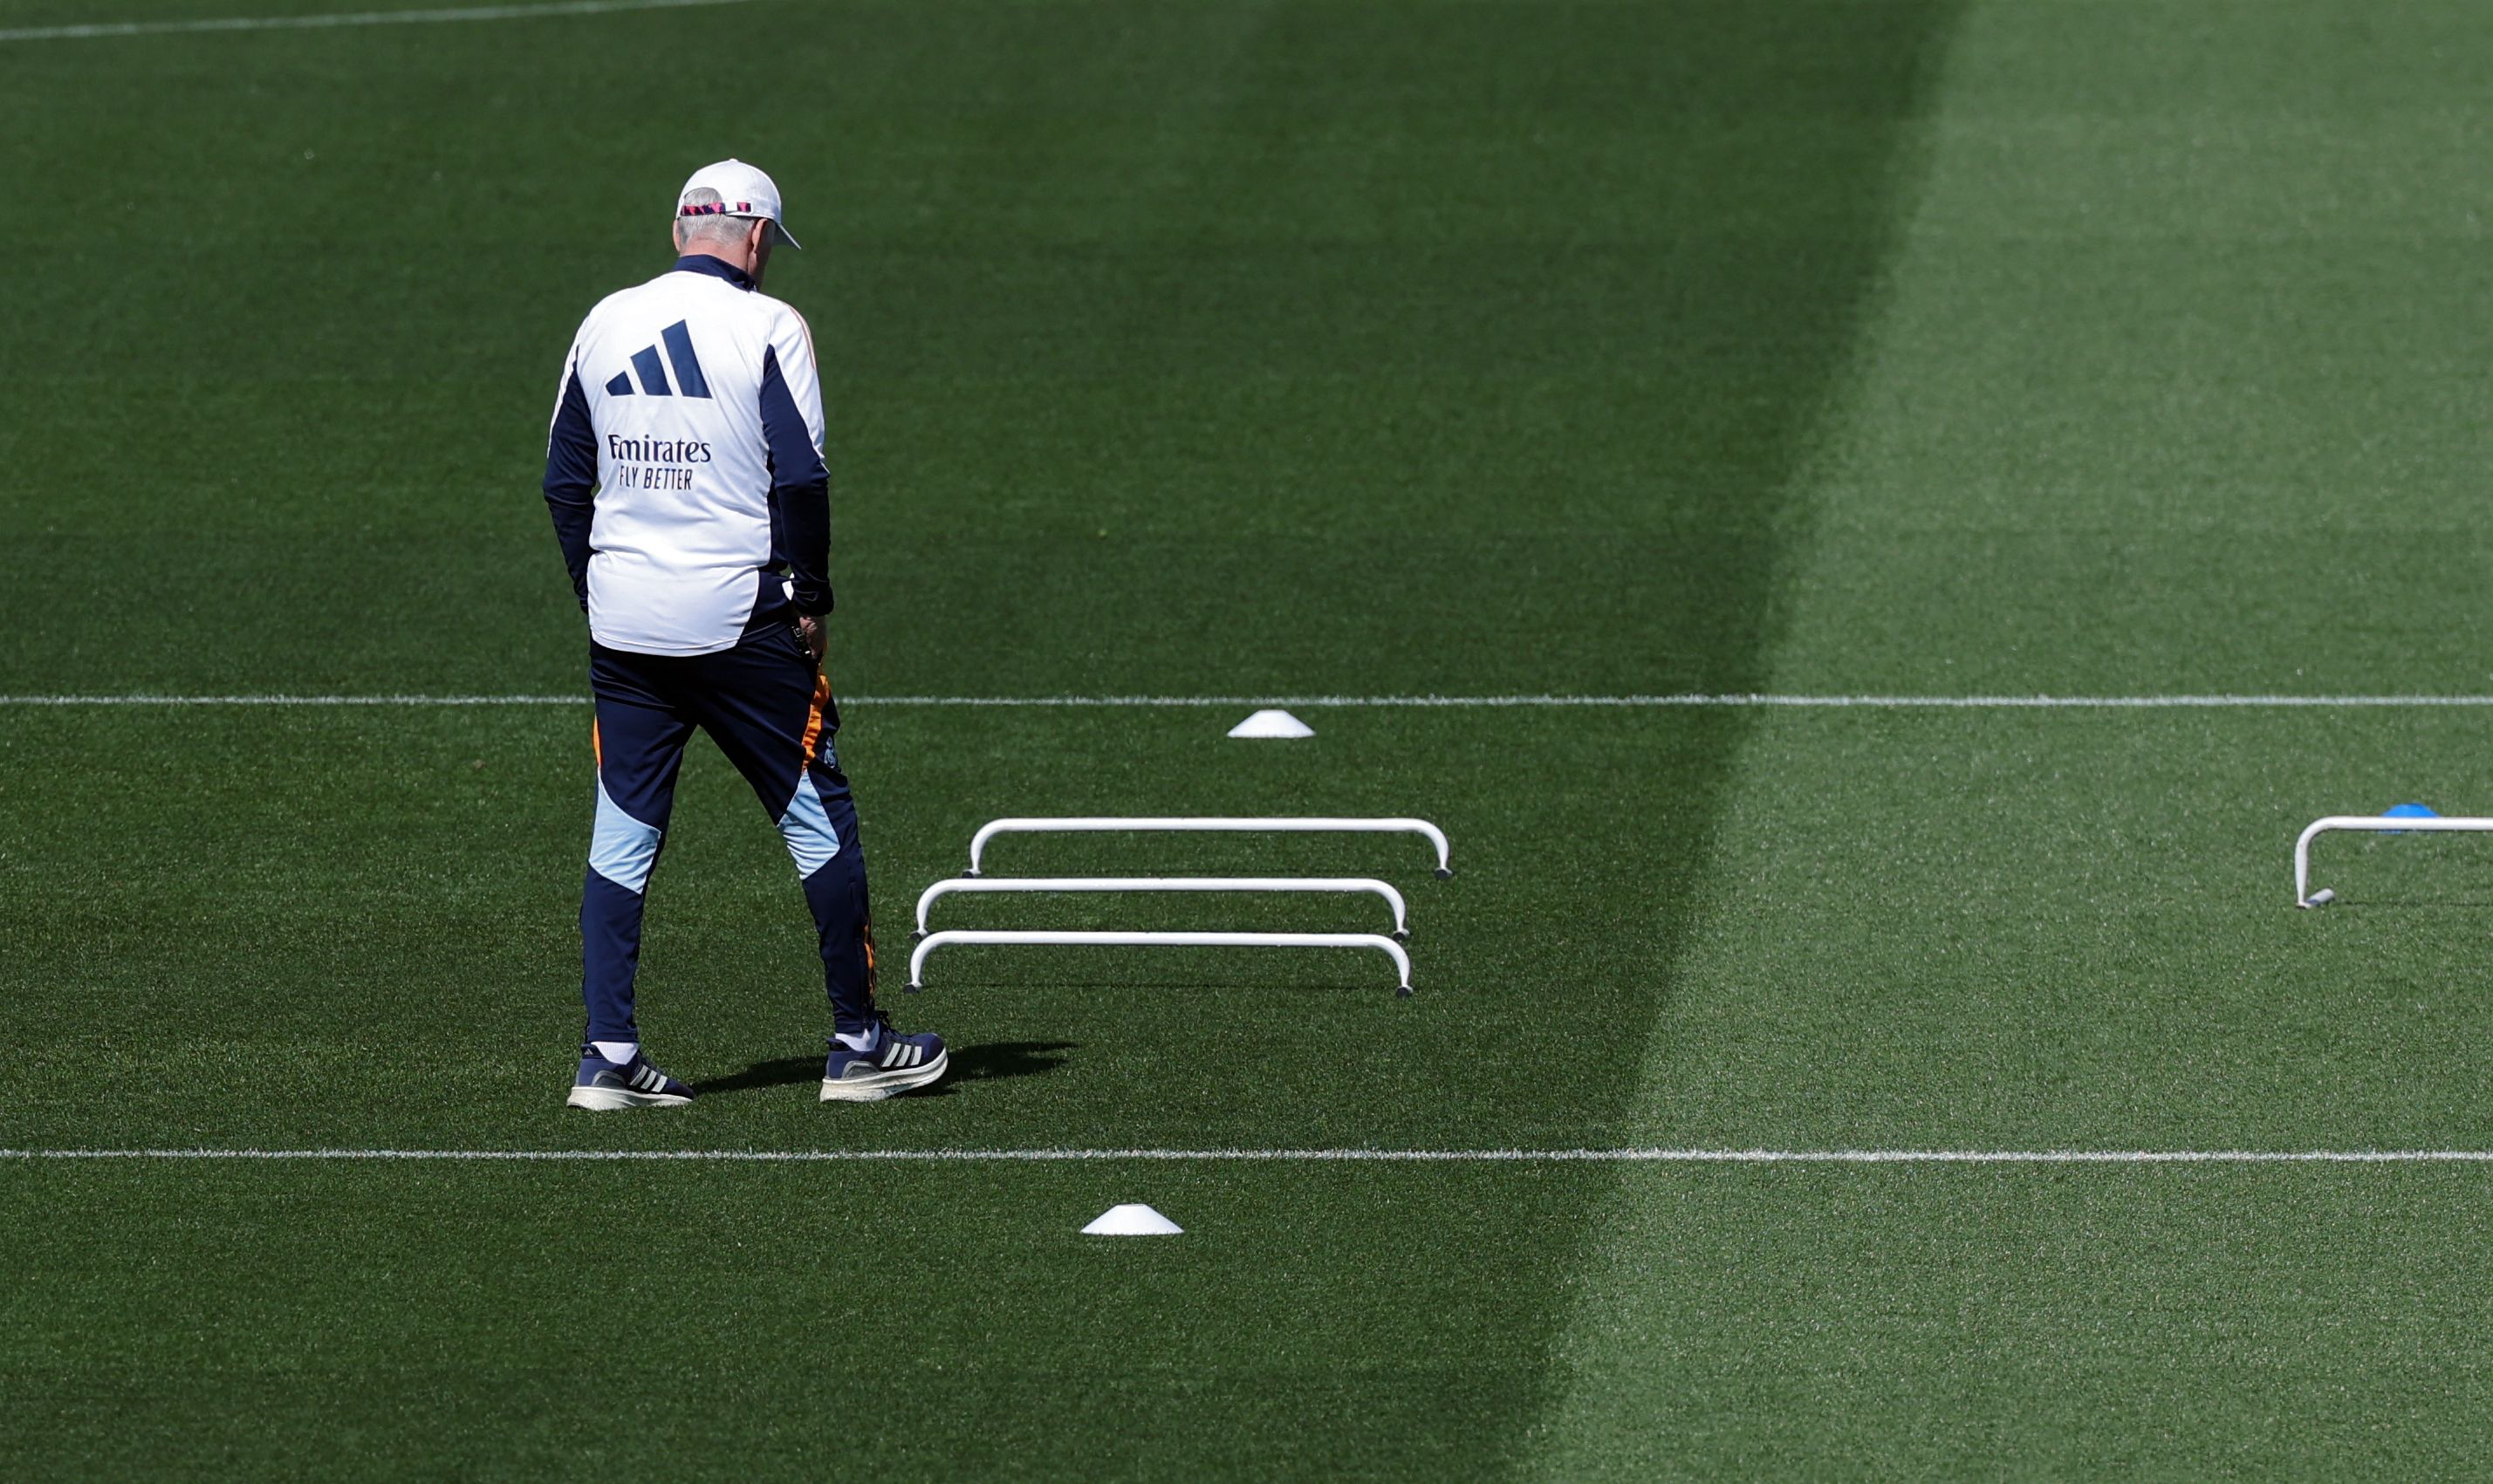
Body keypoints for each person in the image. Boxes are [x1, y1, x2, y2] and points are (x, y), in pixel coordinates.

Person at [541, 159, 945, 1109]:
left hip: (625, 623)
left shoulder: (604, 319)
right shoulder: (770, 326)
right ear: (757, 237)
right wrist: (811, 598)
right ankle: (858, 1044)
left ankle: (608, 1055)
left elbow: (563, 480)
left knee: (623, 832)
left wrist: (595, 589)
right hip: (737, 618)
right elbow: (800, 476)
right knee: (815, 818)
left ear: (679, 228)